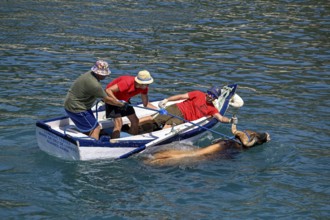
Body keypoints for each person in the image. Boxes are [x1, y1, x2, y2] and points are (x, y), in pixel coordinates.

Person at [144, 118, 271, 166]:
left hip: (224, 144)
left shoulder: (246, 134)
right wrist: (265, 138)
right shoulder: (250, 143)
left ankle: (156, 158)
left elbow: (237, 132)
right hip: (225, 147)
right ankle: (156, 161)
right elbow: (254, 141)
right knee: (196, 155)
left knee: (196, 153)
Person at [64, 60, 119, 140]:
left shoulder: (89, 74)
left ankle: (89, 140)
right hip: (77, 108)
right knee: (96, 128)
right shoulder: (95, 85)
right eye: (103, 74)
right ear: (97, 73)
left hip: (71, 105)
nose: (105, 76)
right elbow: (107, 100)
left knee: (89, 129)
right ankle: (94, 147)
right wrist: (121, 104)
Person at [140, 86, 235, 130]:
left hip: (183, 118)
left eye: (213, 96)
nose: (210, 96)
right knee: (152, 118)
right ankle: (133, 124)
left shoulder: (212, 109)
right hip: (176, 108)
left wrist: (230, 120)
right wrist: (166, 100)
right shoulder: (198, 94)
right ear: (207, 92)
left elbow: (221, 118)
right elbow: (181, 96)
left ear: (215, 98)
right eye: (210, 93)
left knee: (168, 127)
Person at [105, 70, 157, 139]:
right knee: (119, 123)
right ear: (139, 83)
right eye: (146, 84)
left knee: (135, 121)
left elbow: (146, 104)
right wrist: (117, 102)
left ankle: (132, 139)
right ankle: (114, 143)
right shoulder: (127, 83)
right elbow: (108, 90)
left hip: (124, 101)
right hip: (112, 99)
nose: (147, 85)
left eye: (148, 84)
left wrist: (159, 110)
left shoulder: (144, 88)